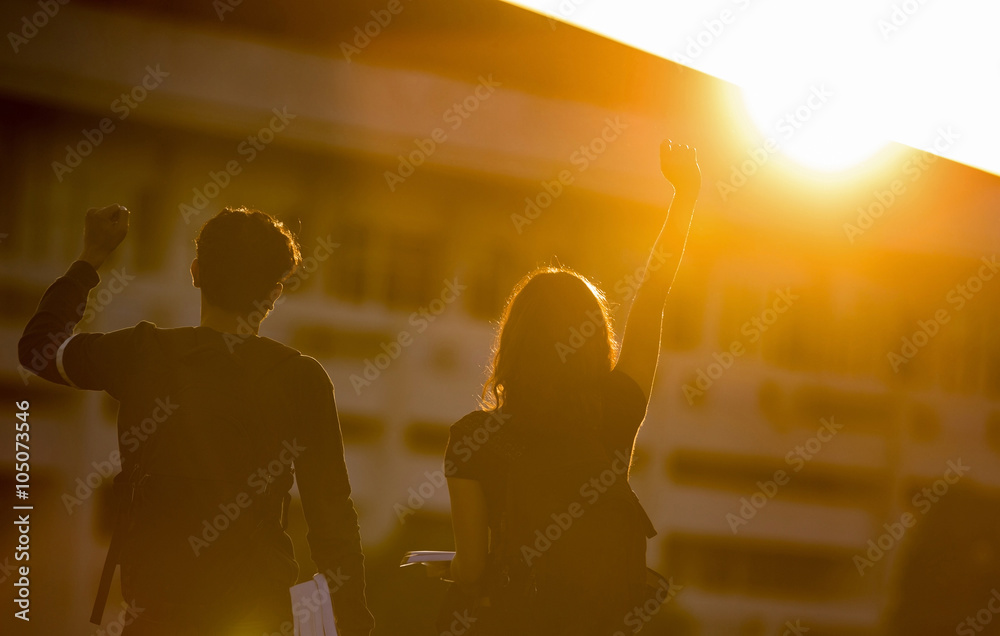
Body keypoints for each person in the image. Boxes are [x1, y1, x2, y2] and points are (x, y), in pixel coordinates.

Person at [18, 206, 375, 635]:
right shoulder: (302, 379)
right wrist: (355, 622)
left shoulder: (143, 353)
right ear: (274, 293)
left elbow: (38, 348)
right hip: (258, 620)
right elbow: (333, 520)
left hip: (155, 619)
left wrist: (90, 258)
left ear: (196, 272)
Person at [433, 141, 700, 635]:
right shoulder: (616, 408)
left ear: (514, 342)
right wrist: (685, 196)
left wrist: (447, 570)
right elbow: (653, 297)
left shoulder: (472, 437)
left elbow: (471, 569)